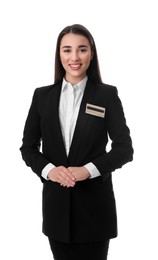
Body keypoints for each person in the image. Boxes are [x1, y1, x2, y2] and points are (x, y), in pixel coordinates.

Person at [20, 24, 134, 260]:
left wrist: (87, 170)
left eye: (82, 49)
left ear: (91, 53)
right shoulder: (42, 96)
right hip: (56, 211)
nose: (74, 57)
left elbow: (124, 148)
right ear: (58, 54)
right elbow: (28, 148)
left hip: (95, 212)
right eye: (67, 50)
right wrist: (50, 171)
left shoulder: (106, 95)